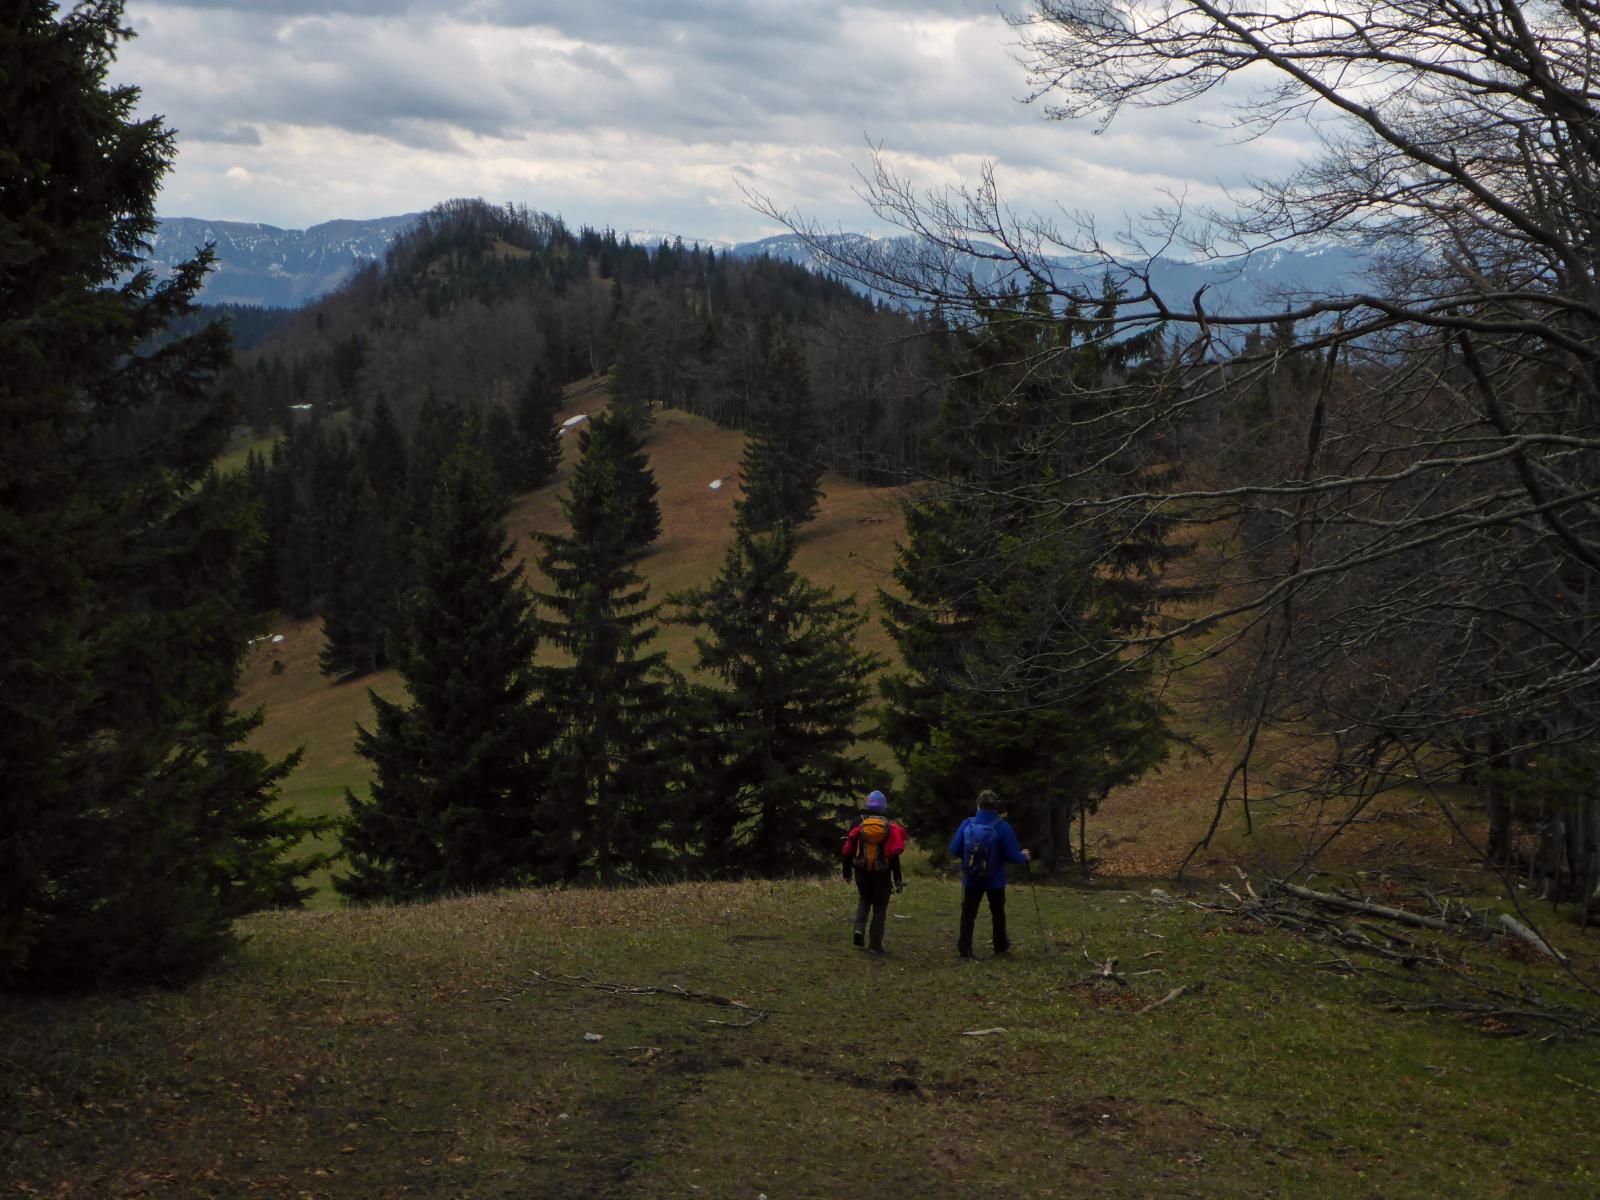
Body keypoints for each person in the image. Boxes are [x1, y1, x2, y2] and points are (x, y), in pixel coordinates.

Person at [949, 789, 1030, 958]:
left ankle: (965, 947)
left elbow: (954, 848)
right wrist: (1024, 856)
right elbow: (1012, 855)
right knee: (998, 912)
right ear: (996, 808)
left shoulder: (967, 824)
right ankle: (1000, 946)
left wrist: (969, 859)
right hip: (995, 879)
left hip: (971, 878)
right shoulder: (1002, 827)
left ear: (978, 805)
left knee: (969, 913)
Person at [841, 789, 906, 954]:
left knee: (864, 899)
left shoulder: (857, 822)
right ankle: (875, 944)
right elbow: (894, 857)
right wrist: (897, 879)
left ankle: (859, 929)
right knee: (880, 907)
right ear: (884, 807)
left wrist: (846, 872)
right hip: (882, 873)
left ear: (868, 805)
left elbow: (848, 850)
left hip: (861, 870)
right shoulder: (889, 827)